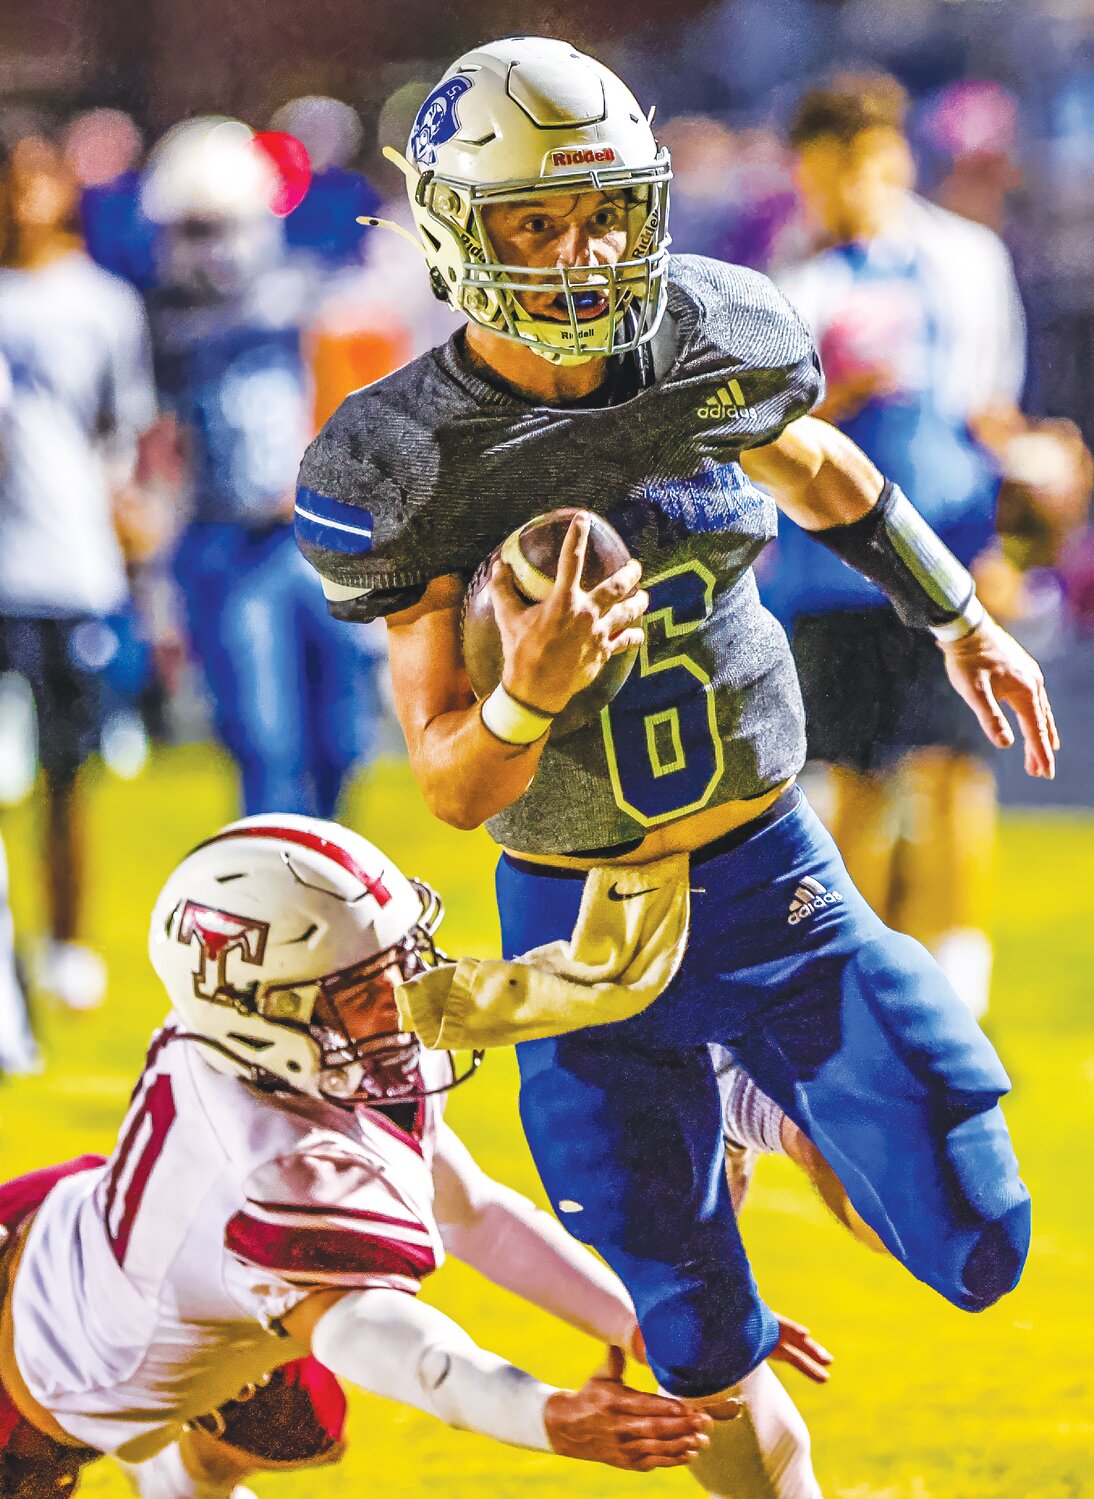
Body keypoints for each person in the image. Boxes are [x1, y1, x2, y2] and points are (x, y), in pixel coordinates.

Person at [295, 36, 1055, 1437]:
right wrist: (529, 686)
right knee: (701, 1350)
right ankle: (731, 1108)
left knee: (978, 1232)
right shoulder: (403, 456)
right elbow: (453, 783)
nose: (580, 252)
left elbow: (817, 460)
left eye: (602, 212)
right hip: (582, 935)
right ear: (458, 229)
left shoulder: (713, 327)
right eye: (536, 219)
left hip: (776, 879)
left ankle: (763, 1092)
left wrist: (956, 618)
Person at [0, 814, 737, 1499]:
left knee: (300, 1427)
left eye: (400, 959)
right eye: (361, 987)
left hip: (98, 1238)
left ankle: (177, 1470)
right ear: (267, 1017)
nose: (403, 999)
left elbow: (471, 1212)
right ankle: (167, 1460)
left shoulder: (258, 1041)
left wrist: (633, 1319)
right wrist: (549, 1414)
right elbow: (409, 1354)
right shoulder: (272, 1171)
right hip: (40, 1384)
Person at [762, 74, 1031, 1017]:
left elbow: (988, 409)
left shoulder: (965, 262)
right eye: (831, 169)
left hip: (946, 549)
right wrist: (841, 396)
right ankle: (867, 971)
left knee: (954, 767)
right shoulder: (783, 286)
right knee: (851, 782)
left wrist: (1017, 517)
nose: (850, 189)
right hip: (827, 569)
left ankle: (960, 977)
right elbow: (764, 441)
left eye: (869, 164)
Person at [139, 118, 386, 819]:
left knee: (344, 729)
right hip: (224, 539)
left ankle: (328, 863)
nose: (210, 251)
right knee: (265, 736)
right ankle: (275, 889)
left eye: (220, 227)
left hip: (314, 533)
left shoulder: (304, 295)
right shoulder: (158, 324)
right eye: (194, 230)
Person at [0, 124, 157, 1012]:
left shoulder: (100, 302)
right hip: (3, 569)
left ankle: (66, 943)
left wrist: (128, 523)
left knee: (67, 774)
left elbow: (119, 438)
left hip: (69, 569)